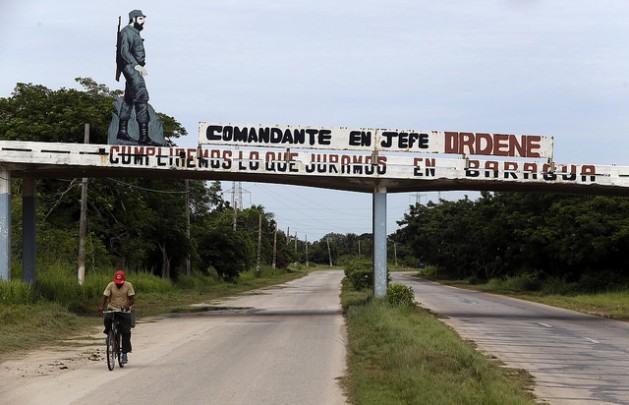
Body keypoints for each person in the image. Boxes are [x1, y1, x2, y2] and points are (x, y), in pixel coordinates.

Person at [116, 9, 158, 146]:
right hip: (130, 67)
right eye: (140, 19)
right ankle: (144, 137)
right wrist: (136, 66)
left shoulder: (135, 32)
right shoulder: (126, 32)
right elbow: (124, 52)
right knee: (141, 97)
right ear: (133, 19)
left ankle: (122, 131)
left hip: (134, 67)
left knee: (129, 99)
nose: (143, 21)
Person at [98, 270, 136, 364]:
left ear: (124, 280)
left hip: (124, 310)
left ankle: (124, 353)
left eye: (120, 283)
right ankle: (109, 334)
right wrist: (101, 306)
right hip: (112, 308)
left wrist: (127, 306)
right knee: (107, 318)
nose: (118, 285)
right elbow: (105, 297)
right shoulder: (110, 285)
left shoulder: (128, 285)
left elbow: (132, 299)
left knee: (126, 331)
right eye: (117, 283)